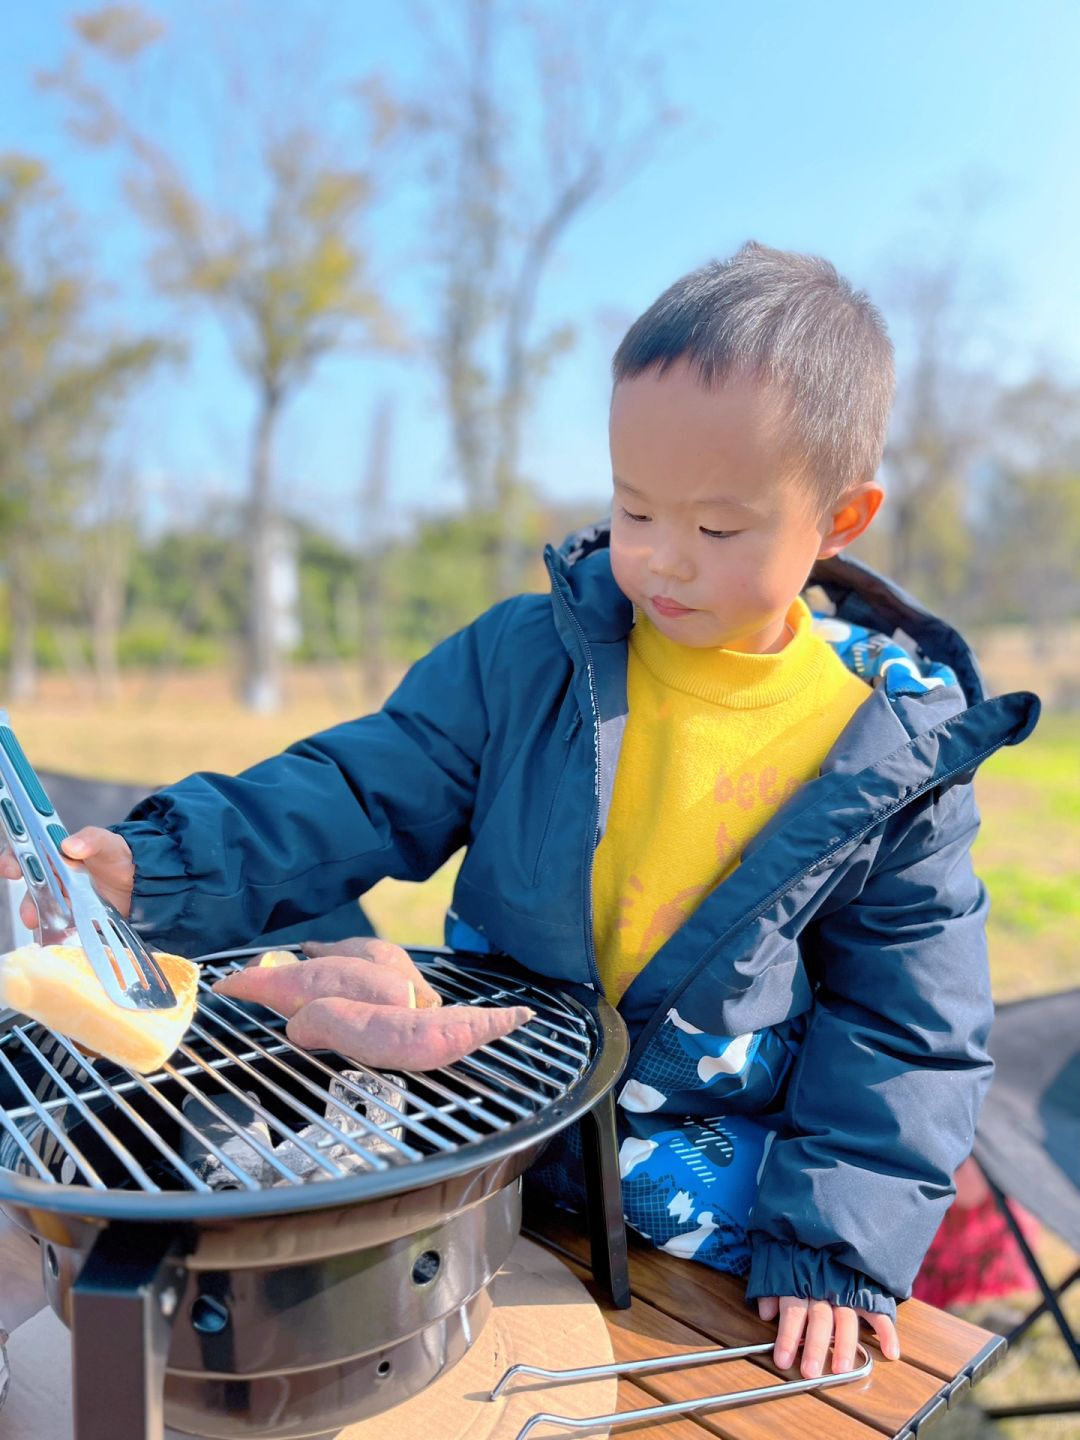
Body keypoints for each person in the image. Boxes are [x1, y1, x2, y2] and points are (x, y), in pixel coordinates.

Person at [1, 242, 1039, 1380]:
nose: (661, 561)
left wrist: (834, 1247)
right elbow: (355, 788)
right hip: (486, 1108)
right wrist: (158, 864)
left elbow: (905, 1029)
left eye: (719, 528)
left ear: (840, 519)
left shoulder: (891, 756)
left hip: (713, 1182)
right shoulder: (532, 657)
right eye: (634, 508)